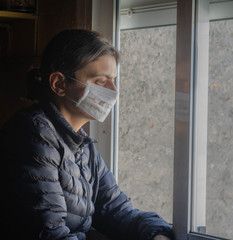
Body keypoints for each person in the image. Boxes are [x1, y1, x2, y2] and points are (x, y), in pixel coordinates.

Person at [0, 29, 174, 240]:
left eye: (114, 80)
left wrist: (157, 233)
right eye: (101, 81)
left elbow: (115, 210)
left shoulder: (81, 144)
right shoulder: (33, 135)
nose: (113, 91)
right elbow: (50, 233)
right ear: (59, 84)